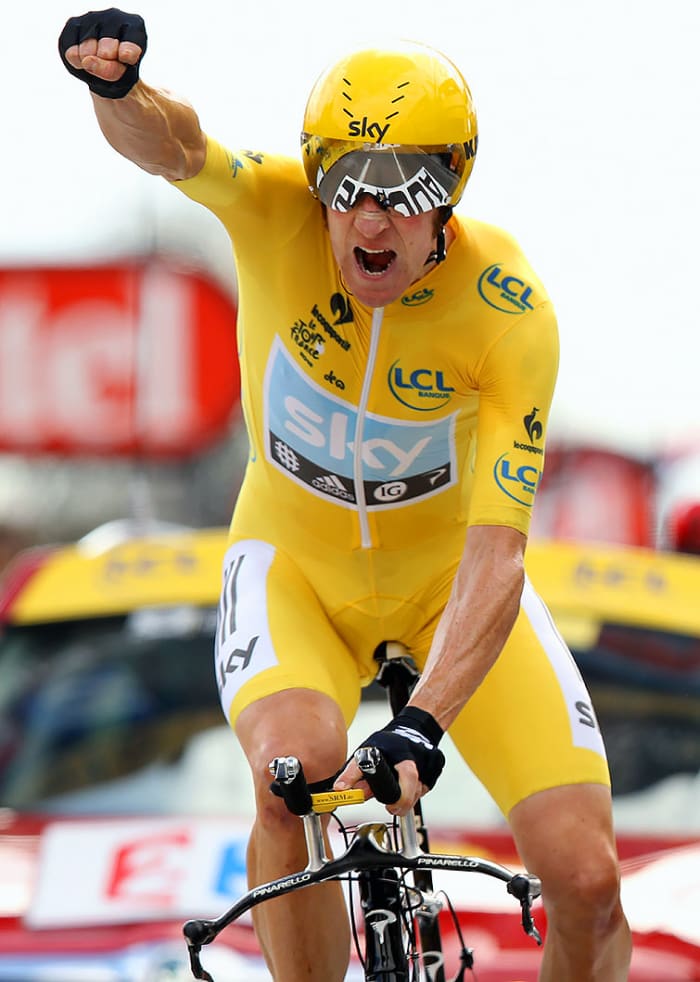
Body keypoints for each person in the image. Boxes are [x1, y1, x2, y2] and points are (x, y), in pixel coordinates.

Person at [58, 10, 632, 980]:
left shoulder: (511, 311)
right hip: (297, 573)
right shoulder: (271, 209)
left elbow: (497, 555)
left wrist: (423, 723)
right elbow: (174, 146)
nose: (371, 218)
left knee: (586, 881)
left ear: (450, 191)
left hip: (447, 587)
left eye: (405, 190)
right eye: (348, 185)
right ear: (316, 177)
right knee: (290, 784)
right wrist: (119, 91)